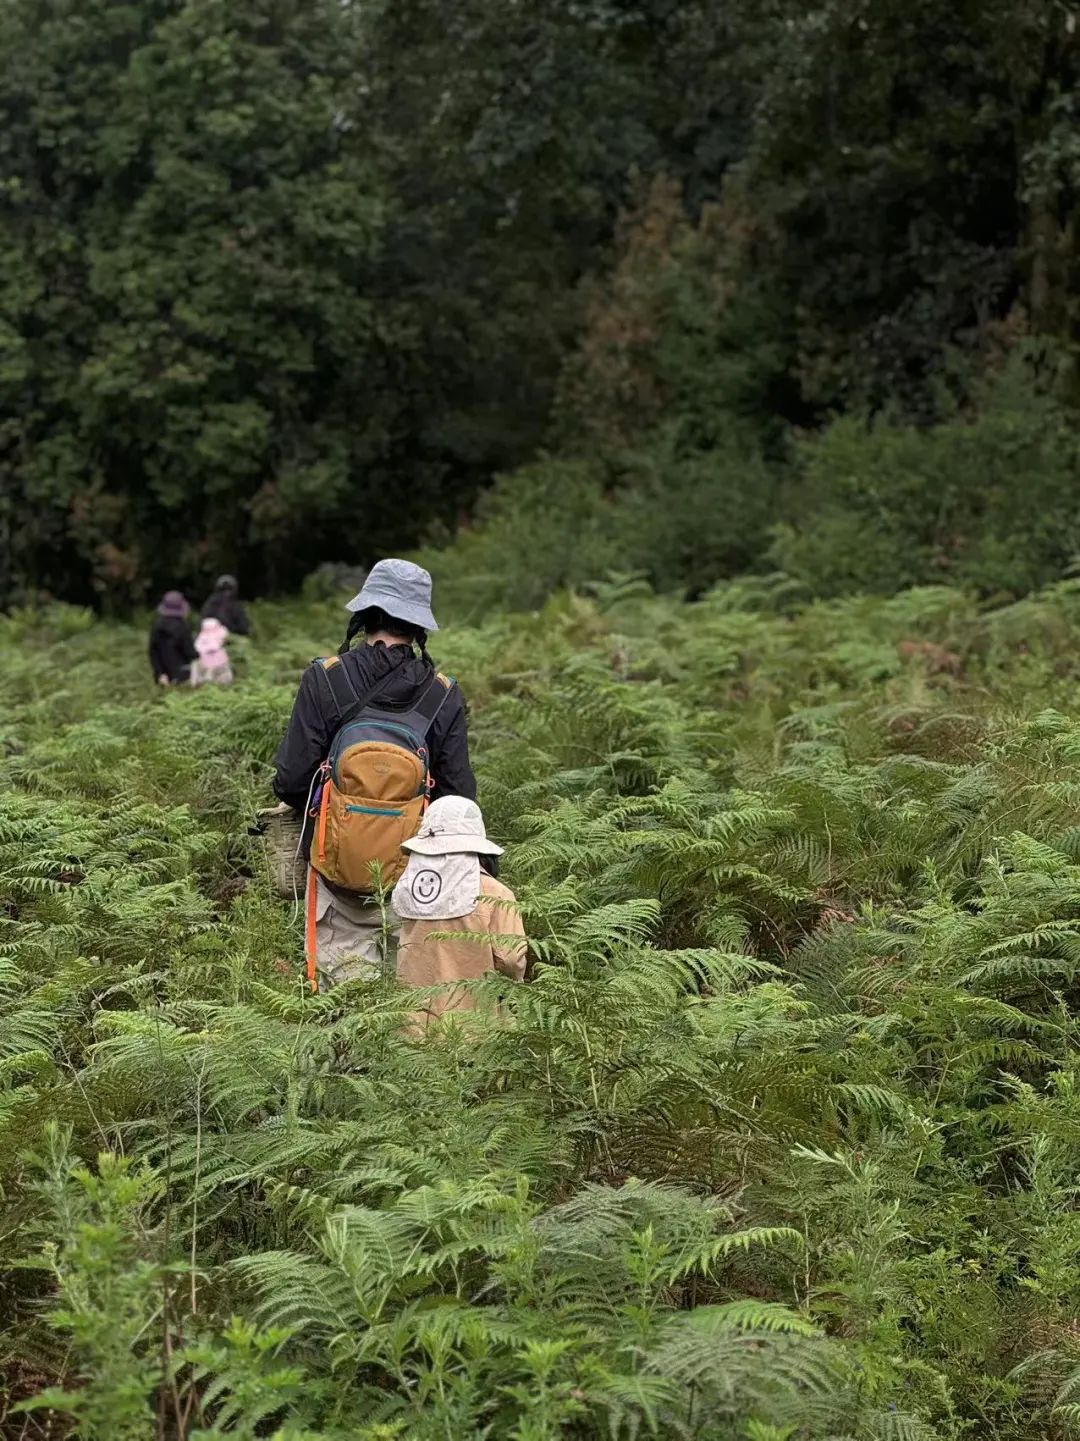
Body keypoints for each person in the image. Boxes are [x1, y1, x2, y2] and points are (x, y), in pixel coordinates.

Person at [273, 558, 483, 989]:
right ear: (419, 626)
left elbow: (293, 781)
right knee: (407, 1011)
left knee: (346, 1007)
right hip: (417, 878)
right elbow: (459, 796)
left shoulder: (325, 679)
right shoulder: (442, 694)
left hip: (337, 872)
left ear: (365, 614)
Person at [392, 796, 526, 1026]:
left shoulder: (407, 888)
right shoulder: (496, 893)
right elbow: (511, 960)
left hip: (411, 1026)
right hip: (475, 1024)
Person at [149, 591, 197, 686]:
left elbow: (153, 652)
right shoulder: (183, 627)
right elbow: (190, 652)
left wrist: (160, 673)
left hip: (163, 676)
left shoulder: (156, 626)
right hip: (183, 674)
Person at [191, 616, 233, 687]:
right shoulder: (217, 633)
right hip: (218, 660)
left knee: (210, 674)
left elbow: (197, 646)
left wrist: (205, 649)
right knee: (221, 674)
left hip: (210, 660)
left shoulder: (204, 635)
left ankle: (209, 685)